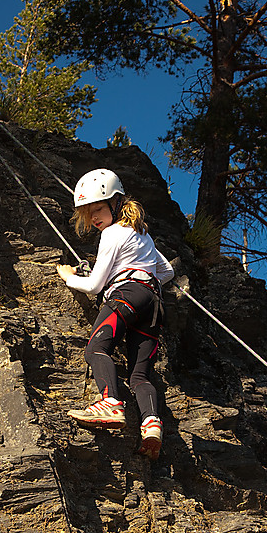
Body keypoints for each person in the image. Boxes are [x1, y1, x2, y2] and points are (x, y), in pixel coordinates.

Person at [57, 168, 174, 460]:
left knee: (96, 348)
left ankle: (109, 402)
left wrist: (68, 276)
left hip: (127, 296)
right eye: (88, 213)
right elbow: (167, 272)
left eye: (98, 209)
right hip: (153, 303)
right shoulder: (142, 232)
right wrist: (140, 274)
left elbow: (94, 285)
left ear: (116, 203)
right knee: (139, 375)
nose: (94, 218)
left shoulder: (112, 233)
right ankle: (151, 424)